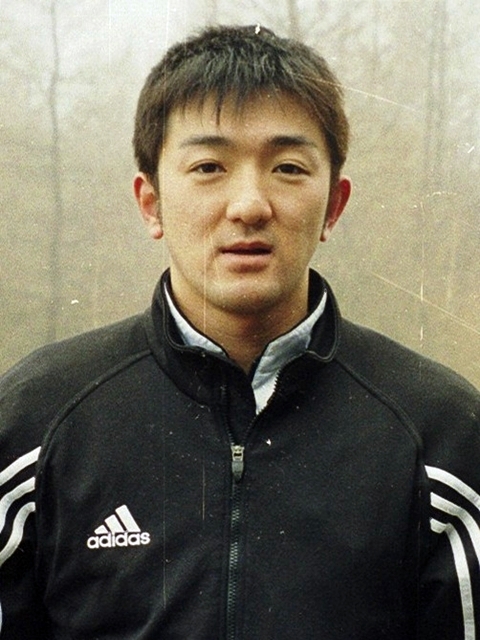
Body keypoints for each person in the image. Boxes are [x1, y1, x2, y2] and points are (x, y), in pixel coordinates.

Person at [0, 24, 479, 640]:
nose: (249, 205)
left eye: (287, 167)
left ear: (334, 205)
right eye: (209, 166)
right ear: (151, 203)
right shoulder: (34, 424)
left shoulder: (441, 436)